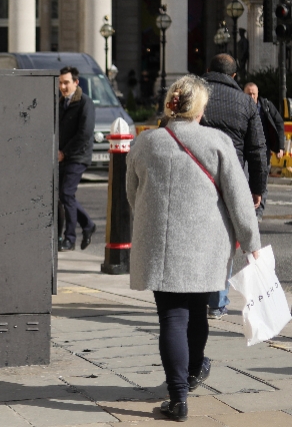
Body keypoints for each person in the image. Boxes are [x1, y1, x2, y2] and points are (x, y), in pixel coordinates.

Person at [127, 75, 261, 421]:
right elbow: (239, 198)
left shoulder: (146, 143)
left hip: (161, 246)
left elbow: (133, 195)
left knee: (172, 317)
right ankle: (192, 371)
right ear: (200, 108)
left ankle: (178, 397)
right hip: (205, 246)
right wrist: (251, 242)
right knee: (198, 312)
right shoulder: (217, 142)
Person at [201, 54, 266, 319]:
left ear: (207, 71)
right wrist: (257, 189)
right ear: (235, 76)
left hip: (194, 175)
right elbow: (258, 151)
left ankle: (195, 296)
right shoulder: (245, 103)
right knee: (225, 239)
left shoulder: (193, 94)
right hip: (231, 179)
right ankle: (217, 302)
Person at [57, 66, 96, 252]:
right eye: (60, 83)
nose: (63, 87)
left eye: (66, 83)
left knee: (66, 193)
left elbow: (85, 133)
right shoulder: (60, 103)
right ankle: (87, 225)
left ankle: (69, 238)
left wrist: (65, 152)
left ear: (76, 82)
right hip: (62, 156)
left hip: (78, 156)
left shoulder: (85, 103)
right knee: (63, 195)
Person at [244, 82, 285, 221]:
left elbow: (279, 122)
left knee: (262, 181)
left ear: (257, 94)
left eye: (253, 93)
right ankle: (247, 210)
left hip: (263, 149)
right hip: (244, 150)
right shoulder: (240, 106)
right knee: (244, 179)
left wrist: (280, 146)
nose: (251, 96)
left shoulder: (265, 106)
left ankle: (258, 213)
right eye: (248, 93)